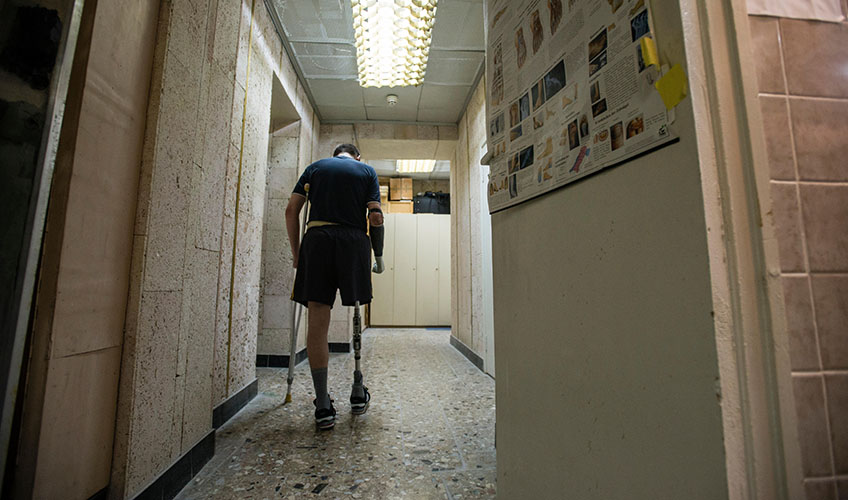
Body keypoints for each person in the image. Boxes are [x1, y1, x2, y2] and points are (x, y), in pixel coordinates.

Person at [285, 143, 385, 430]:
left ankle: (323, 405)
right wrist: (378, 256)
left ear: (335, 155)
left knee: (317, 320)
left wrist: (297, 254)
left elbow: (292, 210)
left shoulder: (315, 168)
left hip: (317, 240)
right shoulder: (366, 171)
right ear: (357, 156)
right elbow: (375, 217)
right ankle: (357, 390)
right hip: (353, 242)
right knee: (355, 310)